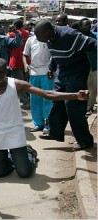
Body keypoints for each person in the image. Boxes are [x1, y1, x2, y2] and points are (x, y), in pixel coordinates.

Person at [34, 20, 96, 151]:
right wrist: (51, 68)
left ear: (48, 32)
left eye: (39, 35)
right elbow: (54, 54)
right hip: (62, 71)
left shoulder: (69, 35)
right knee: (57, 99)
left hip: (77, 71)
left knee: (73, 105)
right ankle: (55, 132)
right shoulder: (49, 39)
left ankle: (85, 140)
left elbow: (93, 44)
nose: (37, 38)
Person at [22, 34, 53, 134]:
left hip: (47, 72)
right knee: (35, 99)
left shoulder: (49, 39)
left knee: (47, 98)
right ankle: (38, 124)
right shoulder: (31, 40)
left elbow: (54, 55)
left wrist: (52, 68)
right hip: (34, 72)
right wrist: (25, 64)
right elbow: (24, 55)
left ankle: (47, 124)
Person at [9, 19, 30, 109]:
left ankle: (25, 101)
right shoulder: (27, 33)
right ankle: (25, 99)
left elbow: (9, 48)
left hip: (16, 60)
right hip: (25, 59)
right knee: (25, 81)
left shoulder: (12, 34)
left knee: (18, 82)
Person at [78, 18, 97, 113]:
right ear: (80, 27)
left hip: (93, 67)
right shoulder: (77, 37)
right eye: (86, 25)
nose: (88, 26)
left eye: (89, 24)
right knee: (81, 88)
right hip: (80, 68)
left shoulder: (95, 37)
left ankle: (89, 107)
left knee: (92, 89)